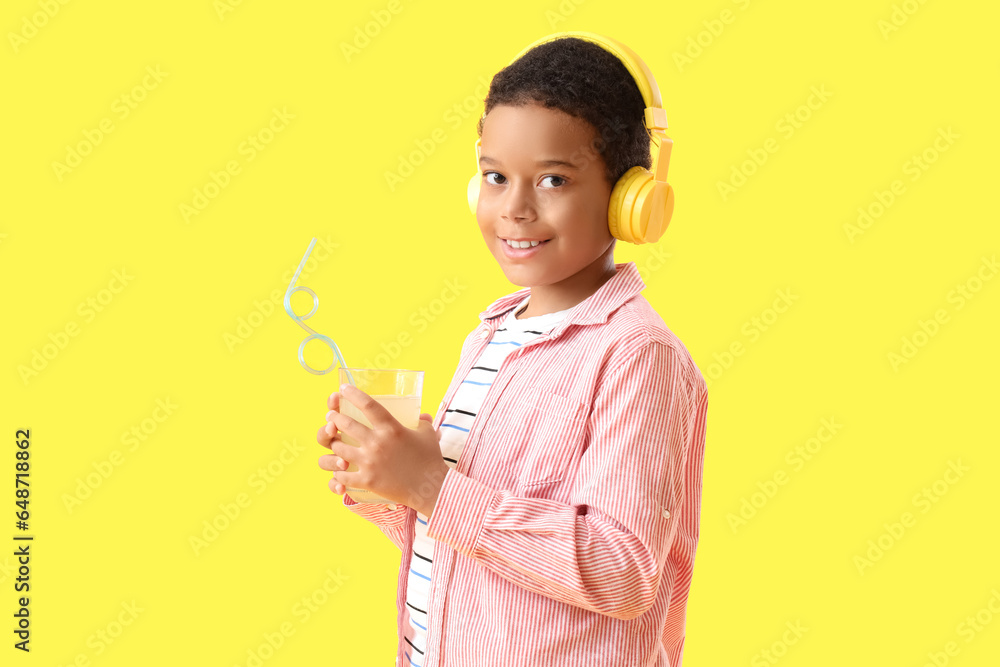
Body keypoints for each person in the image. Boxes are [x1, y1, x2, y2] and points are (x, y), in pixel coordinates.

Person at [317, 32, 708, 667]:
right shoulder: (491, 336)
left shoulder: (638, 358)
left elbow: (623, 569)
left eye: (552, 179)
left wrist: (432, 486)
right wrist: (389, 482)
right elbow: (474, 549)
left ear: (630, 200)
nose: (515, 208)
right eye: (495, 177)